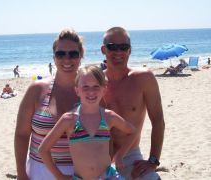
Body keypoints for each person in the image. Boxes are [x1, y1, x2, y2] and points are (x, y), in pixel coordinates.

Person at [39, 65, 135, 179]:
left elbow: (132, 132)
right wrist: (59, 176)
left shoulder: (109, 117)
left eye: (96, 86)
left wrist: (119, 155)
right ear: (77, 90)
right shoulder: (69, 119)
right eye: (85, 87)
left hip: (108, 177)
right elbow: (43, 149)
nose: (91, 91)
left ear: (104, 90)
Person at [14, 29, 84, 180]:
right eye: (60, 54)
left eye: (73, 54)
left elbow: (106, 133)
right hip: (39, 171)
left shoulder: (91, 90)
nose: (67, 59)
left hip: (80, 173)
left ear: (81, 56)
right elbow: (22, 134)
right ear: (54, 57)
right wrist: (21, 173)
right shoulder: (36, 89)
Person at [101, 27, 165, 179]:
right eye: (112, 47)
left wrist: (153, 160)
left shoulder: (144, 78)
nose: (118, 52)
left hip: (131, 155)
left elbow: (158, 121)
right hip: (101, 155)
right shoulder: (95, 83)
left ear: (129, 50)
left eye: (123, 47)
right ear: (104, 49)